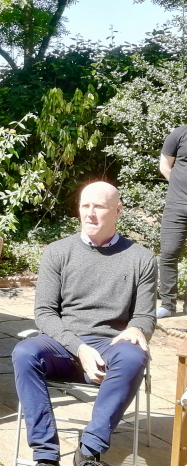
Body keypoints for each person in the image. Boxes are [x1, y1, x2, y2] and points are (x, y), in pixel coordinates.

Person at [11, 181, 156, 466]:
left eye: (99, 206)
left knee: (134, 355)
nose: (90, 213)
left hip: (110, 346)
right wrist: (79, 348)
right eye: (84, 206)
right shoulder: (58, 252)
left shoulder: (141, 258)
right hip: (64, 346)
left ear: (118, 211)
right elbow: (44, 313)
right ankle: (45, 455)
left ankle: (89, 450)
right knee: (24, 353)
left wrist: (138, 328)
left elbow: (144, 316)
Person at [158, 127, 187, 317]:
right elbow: (164, 165)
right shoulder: (179, 134)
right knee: (168, 253)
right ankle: (168, 305)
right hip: (176, 205)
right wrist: (178, 187)